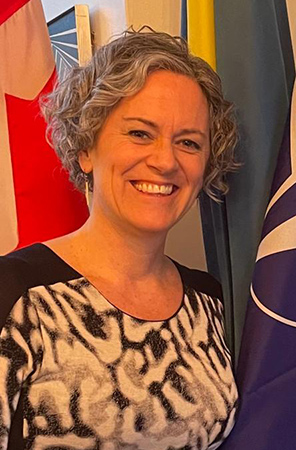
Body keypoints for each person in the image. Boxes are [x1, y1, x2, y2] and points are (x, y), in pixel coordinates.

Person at [0, 31, 239, 449]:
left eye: (188, 142)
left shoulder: (211, 300)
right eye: (140, 134)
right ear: (86, 148)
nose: (165, 161)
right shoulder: (17, 295)